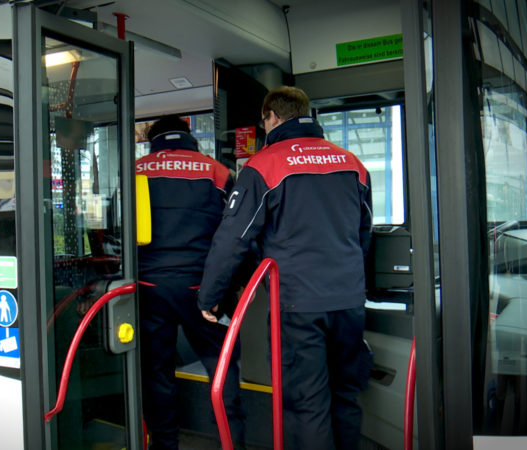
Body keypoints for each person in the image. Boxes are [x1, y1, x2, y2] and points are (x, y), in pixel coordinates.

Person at [198, 86, 374, 450]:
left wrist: (211, 297)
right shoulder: (351, 162)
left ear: (272, 117)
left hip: (296, 304)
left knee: (306, 406)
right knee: (346, 398)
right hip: (350, 301)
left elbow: (233, 239)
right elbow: (364, 233)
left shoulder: (264, 164)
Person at [136, 115, 245, 449]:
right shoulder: (219, 172)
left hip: (149, 287)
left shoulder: (136, 171)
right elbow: (236, 234)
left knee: (157, 371)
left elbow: (114, 228)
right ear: (189, 136)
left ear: (153, 138)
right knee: (222, 369)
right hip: (204, 289)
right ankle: (232, 443)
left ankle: (164, 444)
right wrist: (233, 288)